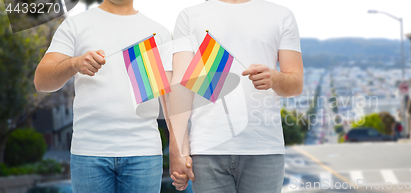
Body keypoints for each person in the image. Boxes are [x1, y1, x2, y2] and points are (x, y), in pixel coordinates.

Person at [33, 0, 173, 192]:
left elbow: (169, 100)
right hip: (89, 153)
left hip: (144, 152)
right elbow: (41, 81)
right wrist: (74, 63)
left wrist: (179, 151)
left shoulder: (159, 33)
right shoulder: (76, 25)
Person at [168, 0, 304, 192]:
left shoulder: (281, 15)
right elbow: (180, 86)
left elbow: (296, 85)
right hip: (207, 149)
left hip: (263, 149)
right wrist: (177, 150)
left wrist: (274, 78)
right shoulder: (190, 16)